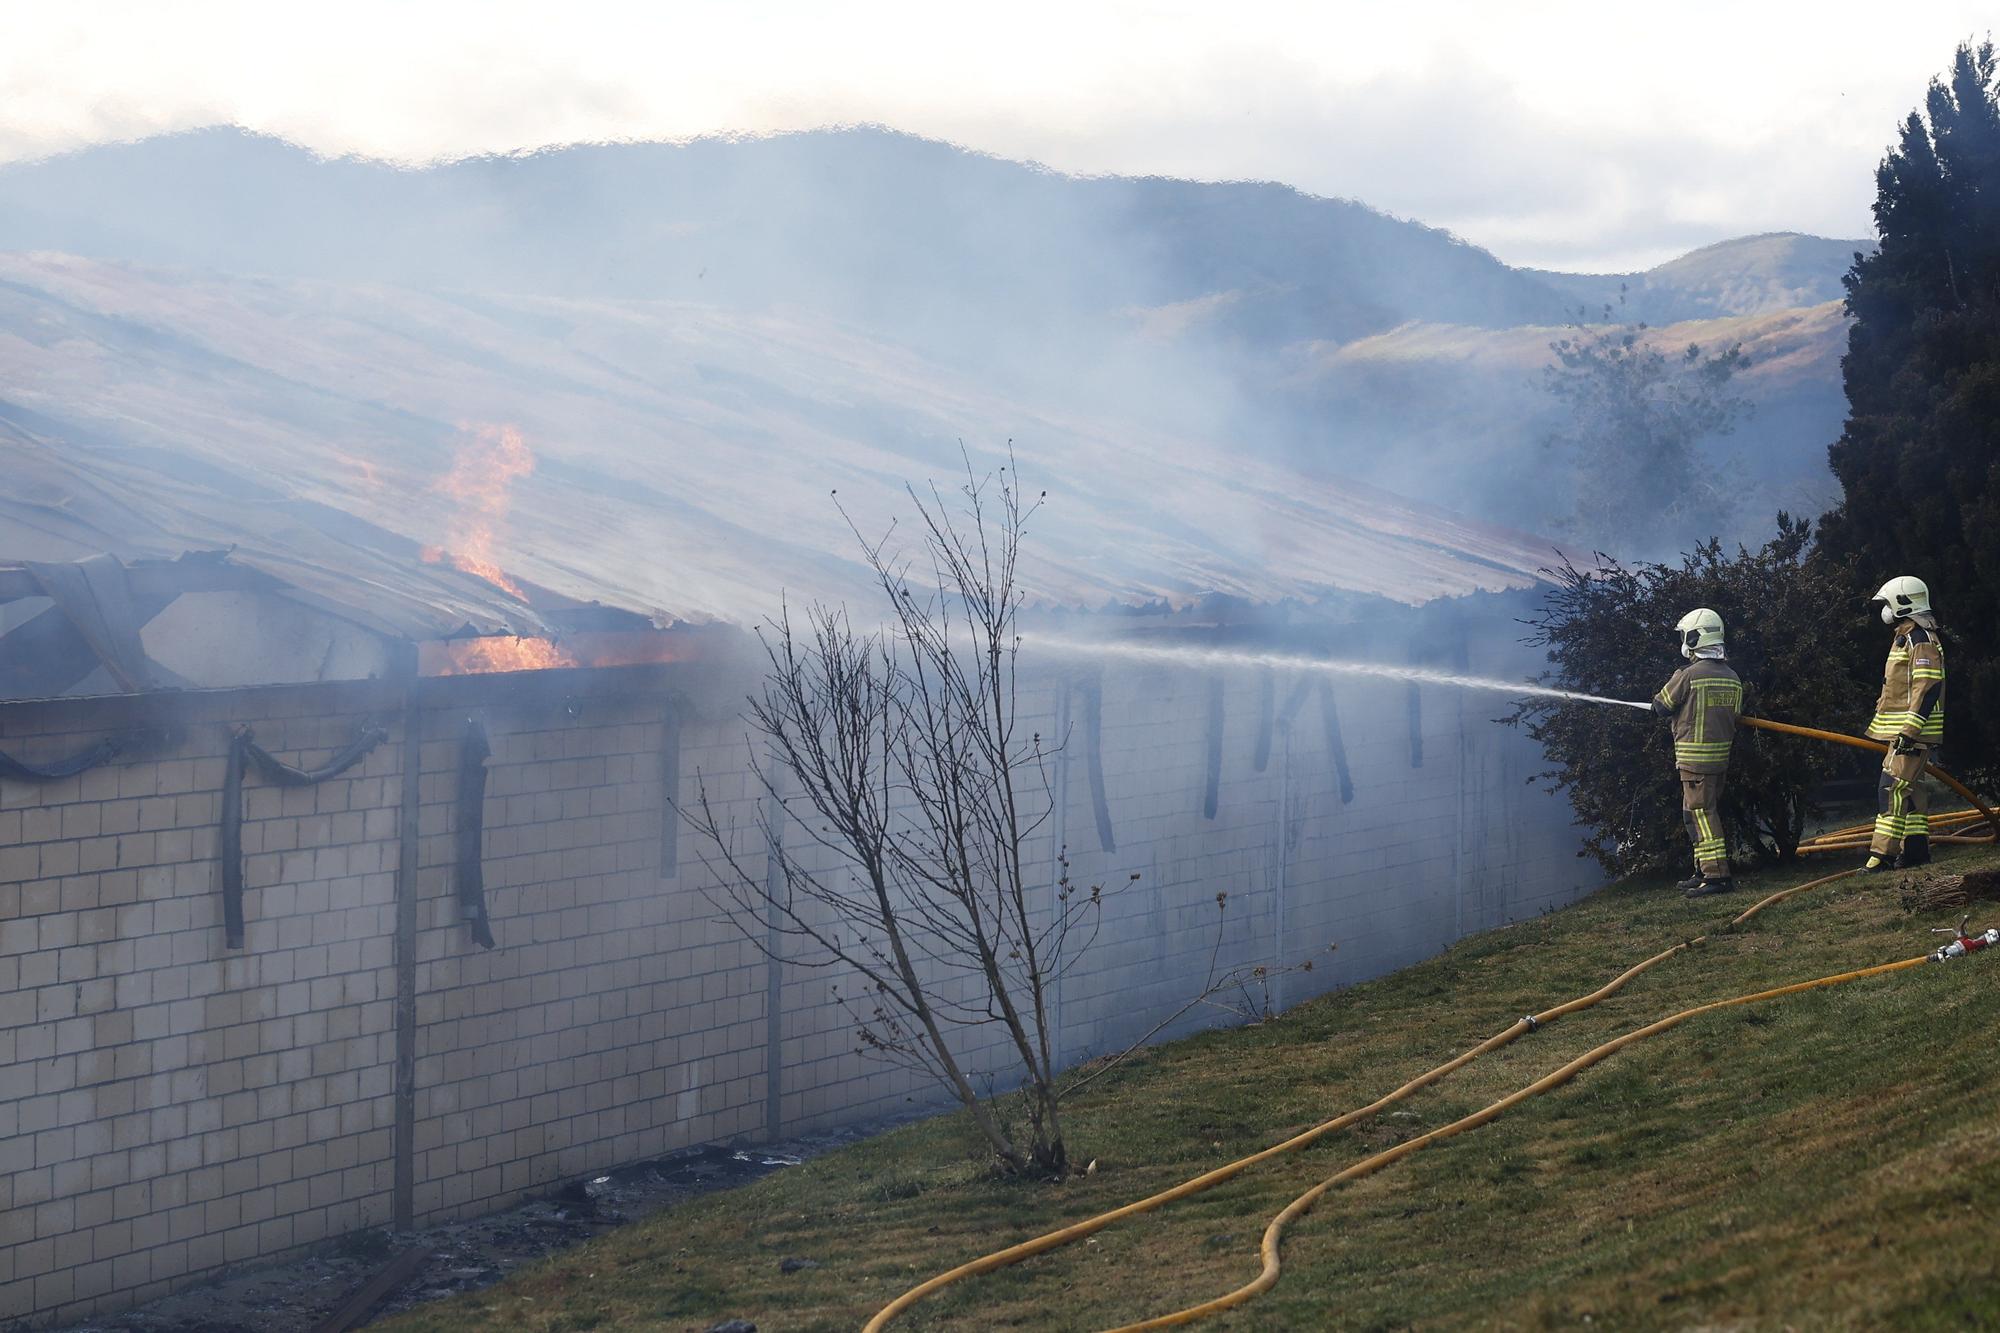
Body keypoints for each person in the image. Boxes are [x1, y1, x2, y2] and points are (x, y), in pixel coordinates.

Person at [1652, 608, 1742, 898]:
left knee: (1702, 815)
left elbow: (1661, 705)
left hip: (1694, 761)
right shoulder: (1732, 677)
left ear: (1694, 638)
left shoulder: (1688, 675)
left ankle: (1717, 877)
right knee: (1694, 814)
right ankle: (1702, 871)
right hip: (1718, 761)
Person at [1863, 576, 1945, 872]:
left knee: (1892, 788)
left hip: (1911, 735)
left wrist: (1909, 732)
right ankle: (1915, 852)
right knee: (1912, 792)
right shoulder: (1909, 635)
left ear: (1903, 603)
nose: (1884, 609)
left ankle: (1882, 856)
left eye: (1887, 603)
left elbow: (1928, 686)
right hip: (1906, 733)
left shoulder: (1919, 639)